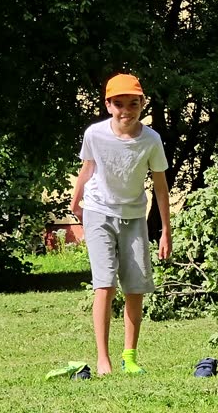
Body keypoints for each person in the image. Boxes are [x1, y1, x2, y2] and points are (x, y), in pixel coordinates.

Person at [69, 73, 172, 376]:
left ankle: (129, 356)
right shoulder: (95, 134)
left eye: (132, 103)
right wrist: (76, 203)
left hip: (134, 216)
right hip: (99, 211)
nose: (125, 110)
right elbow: (88, 167)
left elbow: (161, 187)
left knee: (135, 288)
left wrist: (166, 231)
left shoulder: (151, 140)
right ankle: (103, 359)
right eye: (118, 104)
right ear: (108, 105)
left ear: (142, 103)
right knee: (105, 284)